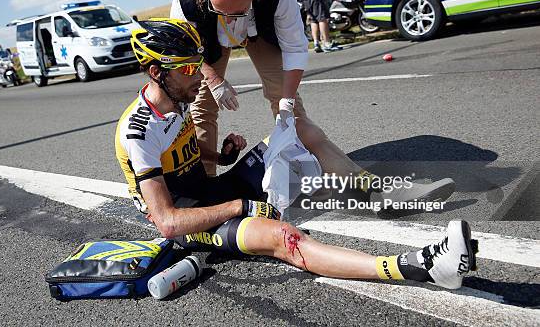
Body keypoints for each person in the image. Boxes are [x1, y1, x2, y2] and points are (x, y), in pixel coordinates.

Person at [115, 18, 478, 290]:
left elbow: (180, 152)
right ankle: (423, 266)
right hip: (193, 222)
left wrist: (220, 156)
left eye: (199, 64)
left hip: (212, 191)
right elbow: (169, 222)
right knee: (284, 238)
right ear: (156, 72)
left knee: (298, 128)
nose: (199, 76)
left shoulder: (176, 99)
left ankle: (380, 193)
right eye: (189, 69)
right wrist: (242, 207)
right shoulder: (138, 131)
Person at [170, 0, 455, 207]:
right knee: (200, 111)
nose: (230, 20)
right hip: (203, 48)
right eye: (221, 10)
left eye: (238, 12)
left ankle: (372, 190)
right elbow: (182, 53)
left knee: (292, 116)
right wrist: (215, 80)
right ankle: (204, 194)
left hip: (261, 32)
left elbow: (295, 48)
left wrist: (287, 102)